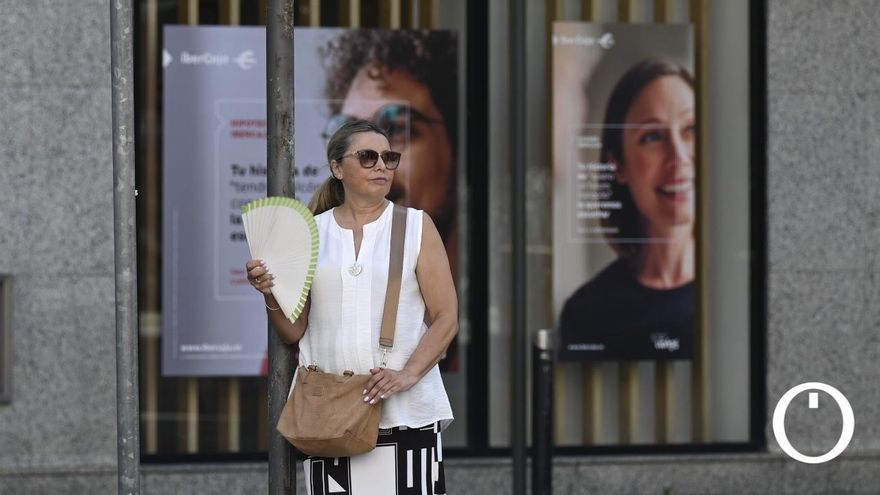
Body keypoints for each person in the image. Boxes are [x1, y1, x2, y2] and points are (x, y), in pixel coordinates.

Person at [246, 120, 457, 494]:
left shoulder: (415, 227)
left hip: (405, 415)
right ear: (337, 168)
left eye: (388, 158)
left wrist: (407, 374)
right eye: (368, 157)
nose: (381, 166)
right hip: (329, 416)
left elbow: (446, 318)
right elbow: (294, 331)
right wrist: (269, 295)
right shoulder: (311, 232)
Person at [559, 59, 695, 360]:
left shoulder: (742, 290)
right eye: (652, 137)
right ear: (618, 165)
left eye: (691, 129)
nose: (679, 156)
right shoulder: (587, 313)